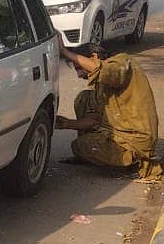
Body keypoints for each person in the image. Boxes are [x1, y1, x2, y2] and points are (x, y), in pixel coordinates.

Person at [56, 39, 163, 179]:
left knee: (83, 146)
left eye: (79, 68)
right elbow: (95, 120)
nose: (79, 75)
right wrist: (67, 124)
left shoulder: (122, 63)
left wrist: (64, 51)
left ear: (94, 57)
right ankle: (103, 157)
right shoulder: (100, 85)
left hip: (134, 138)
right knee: (84, 98)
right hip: (114, 133)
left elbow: (100, 69)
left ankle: (135, 163)